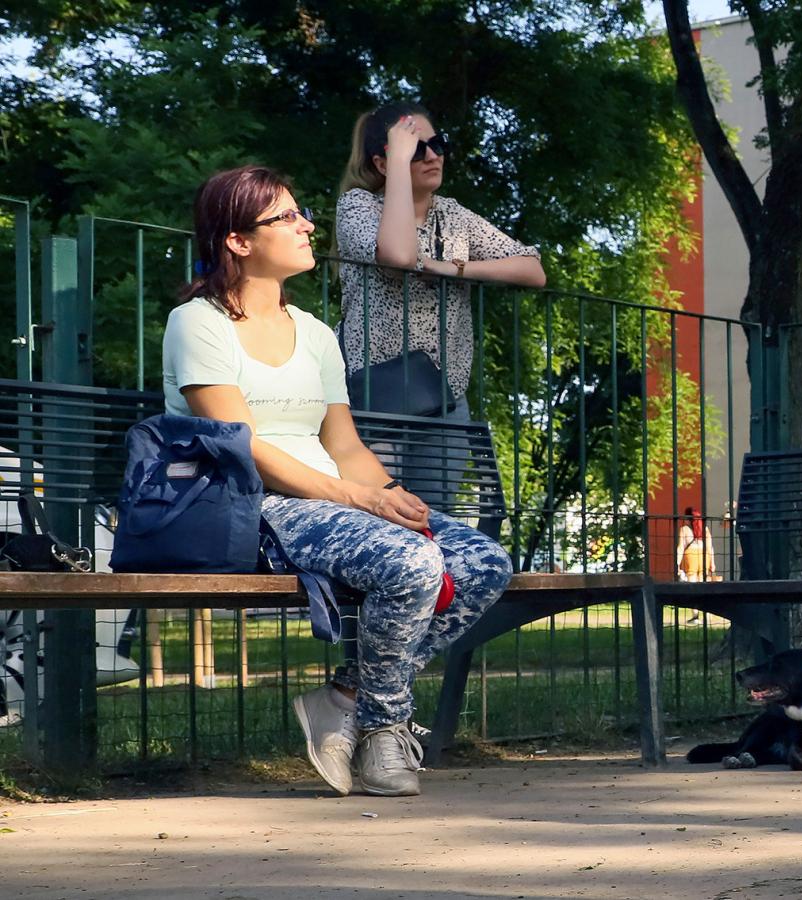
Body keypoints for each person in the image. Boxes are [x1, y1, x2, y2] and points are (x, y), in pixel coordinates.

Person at [163, 165, 513, 796]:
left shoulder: (318, 335)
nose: (307, 225)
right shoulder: (198, 322)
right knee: (411, 564)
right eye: (287, 217)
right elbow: (243, 447)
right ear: (238, 241)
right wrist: (358, 499)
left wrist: (392, 497)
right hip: (253, 506)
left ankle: (346, 694)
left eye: (302, 214)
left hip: (332, 500)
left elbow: (342, 444)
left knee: (481, 559)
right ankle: (384, 733)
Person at [335, 102, 545, 507]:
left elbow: (532, 269)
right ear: (382, 162)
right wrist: (398, 163)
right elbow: (398, 257)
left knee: (438, 519)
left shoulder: (453, 215)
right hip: (376, 398)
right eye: (415, 149)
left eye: (437, 144)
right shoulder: (359, 206)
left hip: (445, 399)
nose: (433, 156)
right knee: (381, 515)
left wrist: (453, 269)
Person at [676, 506, 718, 583]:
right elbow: (710, 547)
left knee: (691, 580)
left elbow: (680, 548)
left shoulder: (684, 529)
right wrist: (712, 562)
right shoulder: (705, 529)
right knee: (704, 579)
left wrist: (677, 563)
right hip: (704, 555)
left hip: (690, 555)